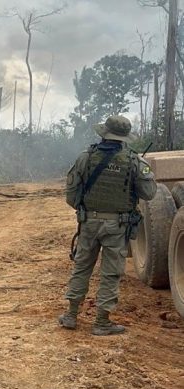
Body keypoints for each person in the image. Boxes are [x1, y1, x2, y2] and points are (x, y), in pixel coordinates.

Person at [60, 115, 156, 335]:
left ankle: (71, 316)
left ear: (104, 133)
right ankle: (102, 322)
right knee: (110, 274)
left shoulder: (86, 157)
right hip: (117, 226)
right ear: (124, 138)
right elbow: (149, 193)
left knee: (82, 267)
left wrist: (87, 210)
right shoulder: (134, 161)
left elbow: (71, 195)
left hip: (89, 222)